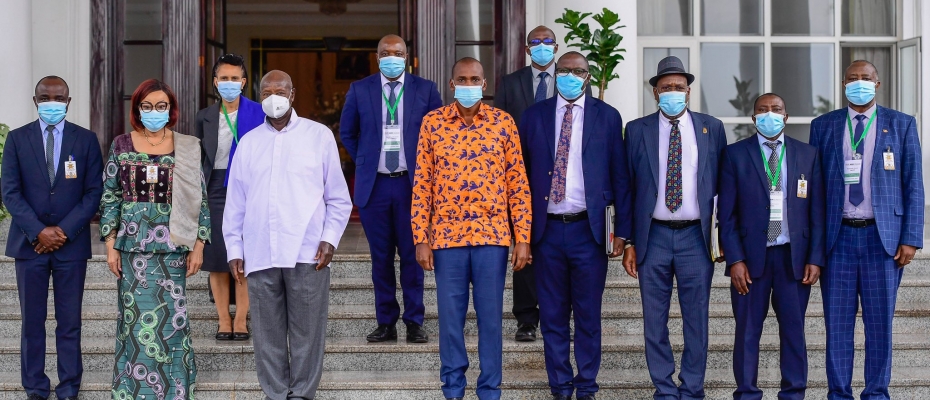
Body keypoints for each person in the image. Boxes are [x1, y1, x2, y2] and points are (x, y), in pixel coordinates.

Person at [224, 70, 352, 400]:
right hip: (260, 252)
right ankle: (276, 394)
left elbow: (338, 197)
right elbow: (236, 202)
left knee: (308, 333)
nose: (273, 97)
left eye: (280, 91)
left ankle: (302, 395)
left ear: (293, 95)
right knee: (267, 335)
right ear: (258, 95)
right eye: (266, 92)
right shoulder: (249, 143)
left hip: (308, 252)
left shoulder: (319, 136)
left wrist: (330, 239)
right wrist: (234, 249)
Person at [412, 57, 532, 400]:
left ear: (485, 83)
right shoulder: (432, 123)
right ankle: (453, 389)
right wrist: (420, 237)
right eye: (462, 79)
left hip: (491, 238)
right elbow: (422, 183)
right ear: (452, 85)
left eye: (475, 79)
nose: (469, 84)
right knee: (450, 321)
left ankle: (490, 390)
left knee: (490, 320)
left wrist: (522, 237)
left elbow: (517, 184)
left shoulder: (503, 123)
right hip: (447, 241)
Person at [519, 52, 632, 400]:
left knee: (587, 317)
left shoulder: (608, 117)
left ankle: (586, 387)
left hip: (589, 232)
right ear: (555, 73)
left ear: (588, 75)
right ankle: (560, 387)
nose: (571, 75)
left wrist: (623, 233)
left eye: (578, 71)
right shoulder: (533, 116)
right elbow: (518, 177)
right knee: (552, 316)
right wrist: (520, 233)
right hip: (546, 232)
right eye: (565, 70)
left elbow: (621, 177)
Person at [810, 60, 924, 400]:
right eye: (852, 78)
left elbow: (914, 185)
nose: (859, 83)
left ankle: (876, 393)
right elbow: (815, 190)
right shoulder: (824, 125)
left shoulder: (901, 125)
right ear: (843, 84)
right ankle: (839, 394)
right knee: (838, 328)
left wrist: (911, 238)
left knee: (879, 328)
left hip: (883, 240)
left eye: (866, 78)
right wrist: (815, 246)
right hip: (838, 239)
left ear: (878, 83)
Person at [623, 55, 727, 400]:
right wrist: (628, 242)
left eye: (678, 87)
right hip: (653, 236)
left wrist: (722, 236)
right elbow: (628, 188)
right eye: (665, 87)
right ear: (655, 92)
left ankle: (692, 388)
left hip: (695, 238)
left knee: (696, 319)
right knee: (655, 321)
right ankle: (665, 390)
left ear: (688, 91)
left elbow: (724, 186)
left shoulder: (712, 128)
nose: (672, 92)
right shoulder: (636, 130)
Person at [100, 79, 209, 399]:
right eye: (146, 106)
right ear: (137, 109)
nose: (154, 112)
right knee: (134, 321)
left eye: (161, 106)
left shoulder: (188, 145)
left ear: (171, 109)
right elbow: (110, 197)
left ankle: (174, 390)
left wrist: (199, 245)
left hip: (174, 246)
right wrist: (110, 245)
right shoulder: (121, 145)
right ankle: (133, 390)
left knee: (172, 322)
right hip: (133, 249)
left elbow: (200, 199)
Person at [718, 93, 826, 399]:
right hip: (751, 261)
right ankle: (747, 392)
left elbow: (817, 212)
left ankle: (793, 392)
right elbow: (725, 216)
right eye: (762, 110)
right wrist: (735, 260)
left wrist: (815, 258)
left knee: (794, 331)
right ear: (754, 119)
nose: (769, 115)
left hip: (794, 258)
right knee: (747, 331)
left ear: (786, 116)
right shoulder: (735, 155)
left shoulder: (808, 155)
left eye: (776, 109)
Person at [1, 76, 103, 400]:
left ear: (68, 101)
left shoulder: (86, 140)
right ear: (35, 101)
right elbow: (10, 192)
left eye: (58, 97)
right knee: (32, 323)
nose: (51, 102)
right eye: (45, 97)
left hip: (70, 247)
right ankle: (35, 387)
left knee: (69, 322)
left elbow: (92, 193)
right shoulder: (16, 140)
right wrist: (38, 231)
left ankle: (69, 386)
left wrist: (62, 231)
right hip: (29, 246)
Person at [340, 34, 442, 343]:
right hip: (377, 187)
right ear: (376, 57)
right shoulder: (360, 90)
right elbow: (348, 132)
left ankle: (414, 321)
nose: (391, 56)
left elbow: (438, 133)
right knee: (380, 257)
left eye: (397, 52)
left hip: (414, 187)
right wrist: (367, 158)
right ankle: (386, 322)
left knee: (412, 257)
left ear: (407, 56)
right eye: (386, 52)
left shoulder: (426, 89)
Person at [497, 26, 591, 341]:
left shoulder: (575, 78)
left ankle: (562, 315)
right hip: (526, 179)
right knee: (526, 248)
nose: (541, 46)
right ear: (527, 48)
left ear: (556, 46)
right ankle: (526, 318)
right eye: (535, 42)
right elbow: (500, 130)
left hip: (568, 179)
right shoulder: (511, 83)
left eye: (547, 41)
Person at [194, 53, 265, 341]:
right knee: (218, 257)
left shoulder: (259, 113)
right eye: (224, 78)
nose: (229, 83)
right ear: (215, 82)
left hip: (250, 189)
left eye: (235, 78)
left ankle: (241, 319)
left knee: (244, 256)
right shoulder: (205, 116)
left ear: (244, 82)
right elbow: (199, 158)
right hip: (215, 189)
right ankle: (223, 319)